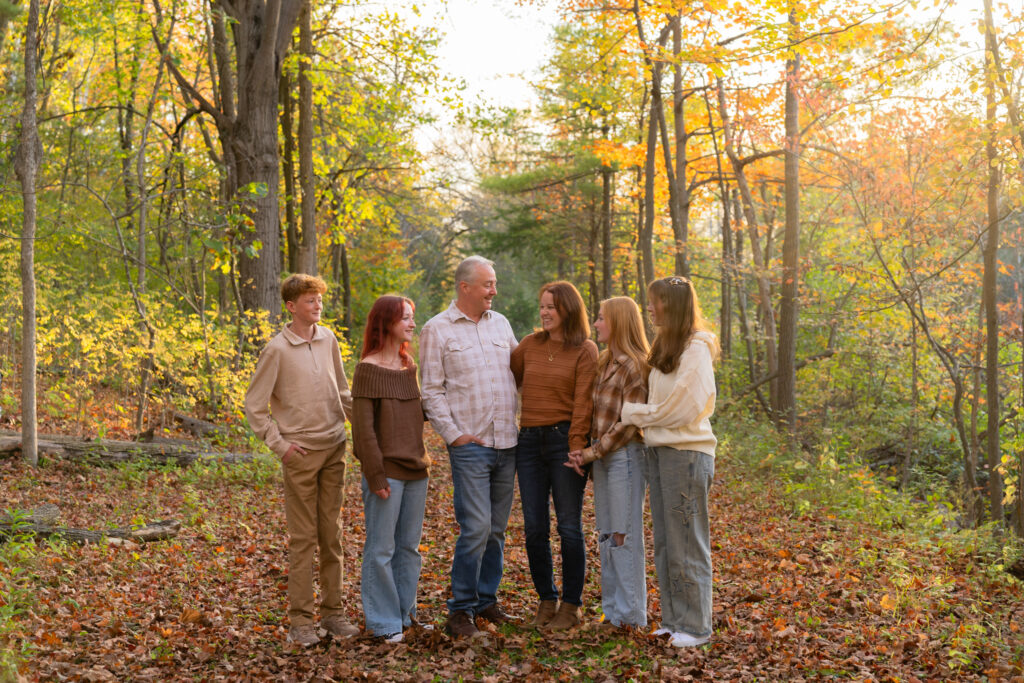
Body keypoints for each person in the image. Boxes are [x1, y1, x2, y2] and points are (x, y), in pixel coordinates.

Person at [244, 274, 360, 647]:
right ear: (292, 306)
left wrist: (368, 429)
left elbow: (342, 390)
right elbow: (254, 406)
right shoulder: (276, 349)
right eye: (310, 300)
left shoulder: (329, 340)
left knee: (333, 538)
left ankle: (333, 615)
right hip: (301, 454)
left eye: (319, 300)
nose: (317, 305)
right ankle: (301, 622)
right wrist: (282, 447)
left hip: (334, 448)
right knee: (303, 540)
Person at [420, 255, 519, 638]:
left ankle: (486, 600)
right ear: (465, 287)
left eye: (493, 284)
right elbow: (431, 390)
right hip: (471, 446)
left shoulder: (501, 324)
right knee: (475, 527)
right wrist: (454, 435)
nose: (494, 291)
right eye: (488, 284)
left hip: (506, 442)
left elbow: (521, 371)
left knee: (496, 530)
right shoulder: (437, 330)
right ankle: (460, 611)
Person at [620, 276, 719, 648]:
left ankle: (695, 627)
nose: (649, 307)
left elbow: (682, 408)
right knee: (665, 541)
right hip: (660, 451)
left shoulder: (696, 347)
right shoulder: (666, 345)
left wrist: (635, 414)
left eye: (655, 301)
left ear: (672, 305)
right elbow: (664, 404)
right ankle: (674, 619)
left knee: (687, 542)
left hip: (687, 455)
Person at [510, 281, 598, 631]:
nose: (544, 313)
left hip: (565, 443)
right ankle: (546, 600)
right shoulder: (529, 345)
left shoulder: (585, 350)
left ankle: (571, 605)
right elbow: (510, 378)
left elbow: (583, 402)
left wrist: (577, 444)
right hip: (529, 442)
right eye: (542, 306)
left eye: (552, 307)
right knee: (534, 528)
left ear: (569, 310)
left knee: (569, 527)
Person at [566, 297, 649, 630]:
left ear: (618, 322)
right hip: (603, 459)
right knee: (606, 534)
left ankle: (631, 617)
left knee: (623, 535)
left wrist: (592, 452)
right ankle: (613, 612)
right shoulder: (605, 361)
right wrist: (584, 450)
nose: (596, 323)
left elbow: (629, 423)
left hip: (625, 458)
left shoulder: (635, 366)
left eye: (601, 318)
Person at [351, 295, 430, 644]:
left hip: (416, 470)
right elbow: (363, 430)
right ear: (386, 323)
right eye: (406, 318)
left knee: (408, 548)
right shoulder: (367, 368)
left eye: (412, 318)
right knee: (381, 549)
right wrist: (375, 474)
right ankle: (383, 623)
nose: (412, 324)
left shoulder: (408, 366)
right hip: (387, 474)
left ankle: (405, 615)